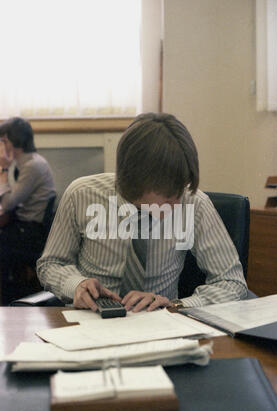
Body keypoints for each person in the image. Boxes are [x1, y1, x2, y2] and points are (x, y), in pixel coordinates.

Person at [37, 112, 247, 312]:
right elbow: (51, 264)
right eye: (167, 198)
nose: (176, 204)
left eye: (180, 191)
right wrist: (76, 285)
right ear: (134, 182)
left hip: (159, 325)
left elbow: (232, 283)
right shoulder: (81, 195)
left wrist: (176, 306)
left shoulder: (194, 203)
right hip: (88, 320)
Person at [0, 117, 56, 302]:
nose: (2, 145)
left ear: (14, 142)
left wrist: (5, 170)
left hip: (30, 232)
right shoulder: (29, 163)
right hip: (25, 226)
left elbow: (8, 203)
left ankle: (7, 298)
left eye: (4, 141)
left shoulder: (33, 166)